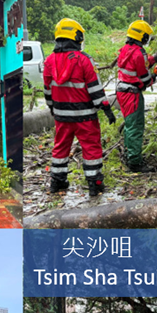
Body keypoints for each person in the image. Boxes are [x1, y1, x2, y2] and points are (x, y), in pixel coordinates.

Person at [44, 18, 116, 197]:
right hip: (86, 117)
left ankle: (57, 182)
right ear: (75, 36)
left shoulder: (49, 61)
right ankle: (94, 184)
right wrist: (106, 108)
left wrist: (53, 109)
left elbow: (47, 91)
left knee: (60, 149)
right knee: (91, 148)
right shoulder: (84, 60)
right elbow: (95, 89)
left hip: (62, 117)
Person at [115, 20, 157, 172]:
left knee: (129, 125)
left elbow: (139, 63)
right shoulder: (139, 53)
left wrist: (154, 58)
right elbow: (144, 78)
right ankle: (135, 162)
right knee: (135, 127)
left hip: (122, 92)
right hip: (132, 94)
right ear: (142, 36)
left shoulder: (126, 49)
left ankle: (129, 154)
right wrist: (154, 77)